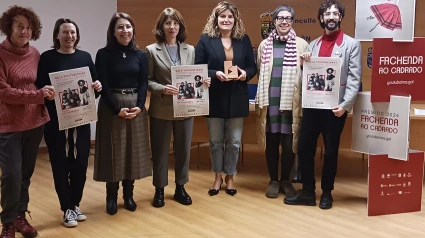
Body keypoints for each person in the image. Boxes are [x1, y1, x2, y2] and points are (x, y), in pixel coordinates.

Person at [284, 0, 361, 209]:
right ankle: (308, 192)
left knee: (330, 152)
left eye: (335, 13)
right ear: (321, 18)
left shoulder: (352, 45)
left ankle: (327, 193)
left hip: (335, 109)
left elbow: (354, 79)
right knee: (304, 149)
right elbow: (306, 78)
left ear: (340, 18)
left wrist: (345, 106)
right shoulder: (314, 45)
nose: (331, 17)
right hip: (313, 106)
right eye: (328, 13)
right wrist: (303, 63)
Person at [35, 18, 102, 228]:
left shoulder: (85, 57)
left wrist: (97, 86)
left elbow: (94, 89)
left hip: (80, 121)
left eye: (72, 32)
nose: (69, 36)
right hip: (56, 122)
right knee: (60, 165)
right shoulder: (47, 58)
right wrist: (47, 93)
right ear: (57, 35)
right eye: (65, 32)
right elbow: (40, 88)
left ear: (77, 35)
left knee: (81, 163)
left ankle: (75, 203)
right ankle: (67, 208)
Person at [146, 7, 211, 208]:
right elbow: (146, 81)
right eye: (168, 23)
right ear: (161, 27)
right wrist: (162, 88)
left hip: (185, 108)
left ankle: (180, 187)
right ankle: (159, 189)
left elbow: (193, 77)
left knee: (183, 151)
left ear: (180, 26)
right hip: (161, 108)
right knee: (160, 151)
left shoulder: (190, 50)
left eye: (175, 23)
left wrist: (203, 81)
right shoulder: (150, 50)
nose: (172, 27)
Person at [0, 5, 54, 238]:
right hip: (9, 124)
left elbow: (41, 84)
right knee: (11, 174)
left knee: (25, 174)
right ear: (9, 27)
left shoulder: (35, 54)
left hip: (34, 122)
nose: (24, 31)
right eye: (19, 26)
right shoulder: (0, 54)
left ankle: (21, 216)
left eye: (29, 27)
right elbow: (4, 92)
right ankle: (8, 223)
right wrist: (39, 95)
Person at [195, 1, 257, 196]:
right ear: (216, 19)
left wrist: (244, 74)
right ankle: (217, 176)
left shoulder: (243, 40)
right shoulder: (206, 40)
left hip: (237, 96)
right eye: (222, 16)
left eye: (230, 17)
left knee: (234, 141)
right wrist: (215, 74)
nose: (226, 20)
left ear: (235, 19)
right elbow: (198, 66)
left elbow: (252, 67)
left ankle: (230, 177)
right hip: (214, 97)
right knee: (215, 141)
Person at [94, 12, 151, 215]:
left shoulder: (141, 55)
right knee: (114, 153)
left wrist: (140, 105)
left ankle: (129, 195)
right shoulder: (103, 54)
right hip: (112, 107)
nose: (124, 30)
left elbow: (143, 82)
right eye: (120, 27)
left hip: (135, 106)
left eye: (128, 26)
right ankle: (111, 196)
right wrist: (117, 109)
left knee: (132, 152)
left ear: (133, 30)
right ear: (113, 31)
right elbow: (103, 85)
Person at [255, 5, 309, 199]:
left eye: (288, 18)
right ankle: (273, 180)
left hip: (291, 104)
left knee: (288, 145)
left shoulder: (302, 45)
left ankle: (285, 180)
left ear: (292, 22)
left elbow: (308, 74)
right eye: (280, 18)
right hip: (271, 104)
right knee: (271, 143)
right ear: (275, 21)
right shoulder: (264, 45)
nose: (284, 21)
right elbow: (261, 71)